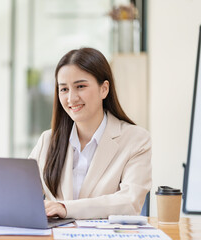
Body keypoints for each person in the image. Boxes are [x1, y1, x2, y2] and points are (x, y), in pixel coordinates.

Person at [29, 47, 151, 220]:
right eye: (64, 89)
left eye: (80, 86)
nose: (71, 98)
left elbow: (129, 202)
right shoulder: (47, 141)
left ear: (104, 89)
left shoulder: (136, 139)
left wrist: (65, 208)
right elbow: (22, 195)